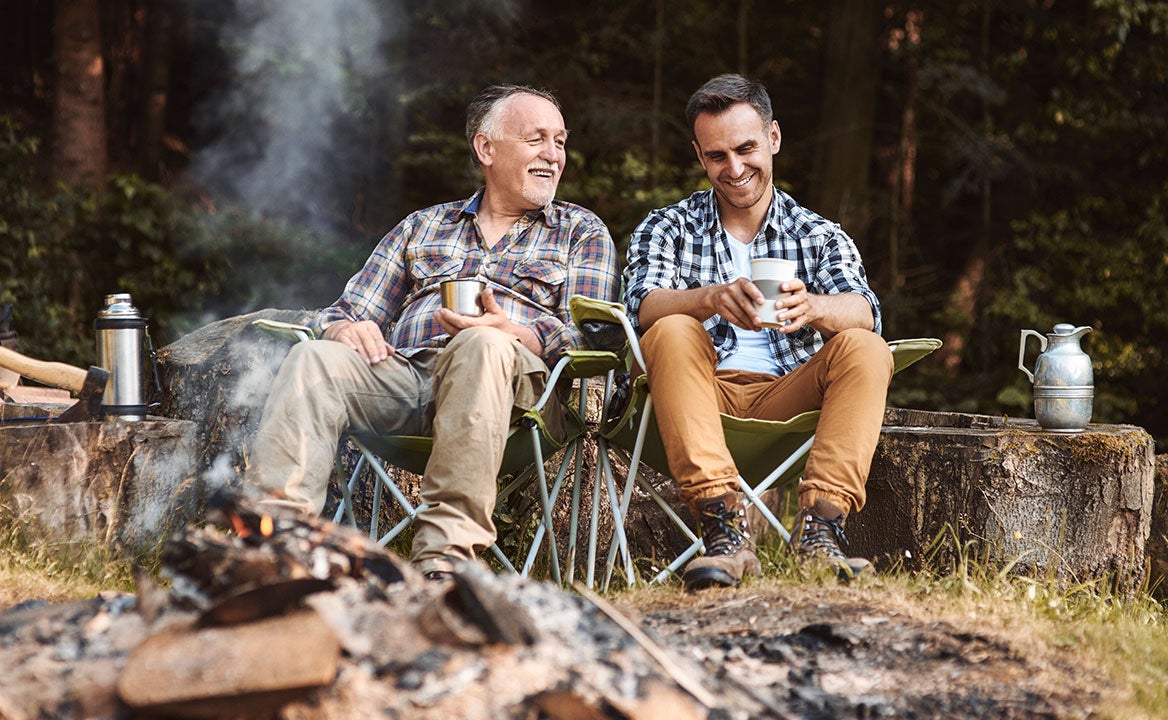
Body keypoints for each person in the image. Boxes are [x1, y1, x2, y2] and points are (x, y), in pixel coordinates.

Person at [247, 84, 620, 581]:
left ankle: (445, 556)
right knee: (315, 357)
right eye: (536, 139)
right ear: (486, 148)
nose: (553, 155)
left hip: (519, 396)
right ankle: (276, 549)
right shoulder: (423, 226)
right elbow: (348, 308)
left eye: (559, 141)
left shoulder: (580, 230)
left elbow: (595, 337)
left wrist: (517, 331)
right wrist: (342, 329)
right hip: (409, 379)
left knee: (483, 342)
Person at [623, 73, 893, 590]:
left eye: (746, 148)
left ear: (773, 138)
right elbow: (641, 304)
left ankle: (821, 530)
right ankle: (723, 530)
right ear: (699, 157)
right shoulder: (668, 227)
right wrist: (708, 299)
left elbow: (865, 310)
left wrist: (814, 307)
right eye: (717, 155)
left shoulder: (816, 233)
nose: (735, 168)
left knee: (865, 347)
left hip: (786, 396)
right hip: (697, 395)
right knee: (672, 328)